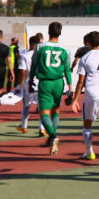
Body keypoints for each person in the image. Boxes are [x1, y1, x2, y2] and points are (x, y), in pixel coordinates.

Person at [70, 30, 99, 161]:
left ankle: (90, 152)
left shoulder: (85, 58)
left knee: (87, 124)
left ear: (88, 42)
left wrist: (75, 100)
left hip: (92, 94)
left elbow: (81, 81)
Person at [28, 22, 69, 156]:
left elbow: (34, 65)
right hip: (59, 82)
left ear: (48, 31)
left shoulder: (40, 46)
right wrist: (70, 87)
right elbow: (67, 69)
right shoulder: (65, 48)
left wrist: (30, 80)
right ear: (60, 33)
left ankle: (52, 136)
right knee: (55, 110)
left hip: (45, 82)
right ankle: (50, 138)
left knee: (44, 112)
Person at [15, 35, 40, 134]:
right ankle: (41, 128)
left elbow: (22, 72)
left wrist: (18, 85)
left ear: (30, 44)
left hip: (28, 84)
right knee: (42, 108)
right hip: (41, 84)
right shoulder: (42, 55)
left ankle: (24, 126)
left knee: (26, 106)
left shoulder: (25, 56)